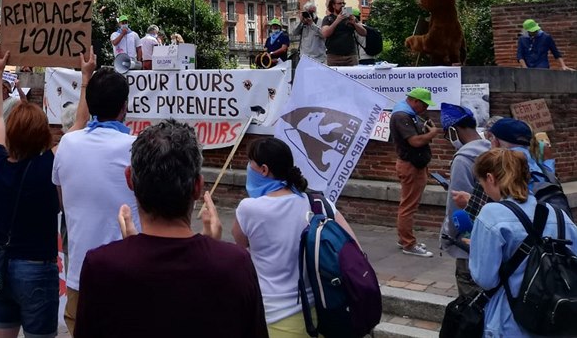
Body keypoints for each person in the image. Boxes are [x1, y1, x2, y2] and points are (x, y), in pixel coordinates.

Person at [75, 121, 269, 338]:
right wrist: (214, 252)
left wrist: (130, 251)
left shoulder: (101, 266)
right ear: (198, 187)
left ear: (130, 179)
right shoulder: (235, 264)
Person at [232, 137, 359, 336]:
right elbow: (354, 250)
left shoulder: (249, 208)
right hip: (325, 314)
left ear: (264, 170)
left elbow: (241, 248)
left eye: (250, 162)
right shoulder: (318, 203)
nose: (248, 167)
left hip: (274, 319)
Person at [52, 53, 139, 334]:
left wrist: (85, 76)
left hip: (81, 276)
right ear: (124, 107)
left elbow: (64, 203)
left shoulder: (67, 145)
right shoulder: (137, 148)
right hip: (126, 278)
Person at [0, 49, 61, 338]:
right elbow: (77, 128)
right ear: (43, 136)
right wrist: (87, 78)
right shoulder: (49, 166)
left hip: (1, 264)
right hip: (37, 269)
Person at [468, 148, 577, 337]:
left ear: (490, 178)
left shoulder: (491, 214)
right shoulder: (557, 214)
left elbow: (485, 279)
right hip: (557, 316)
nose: (483, 189)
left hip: (511, 319)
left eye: (482, 183)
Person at [438, 103, 492, 299]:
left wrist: (450, 237)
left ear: (454, 129)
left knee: (470, 301)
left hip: (468, 242)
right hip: (490, 234)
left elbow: (456, 209)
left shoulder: (463, 158)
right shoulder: (490, 149)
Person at [389, 87, 439, 257]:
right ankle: (409, 244)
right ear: (415, 101)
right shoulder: (402, 115)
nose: (425, 109)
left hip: (413, 164)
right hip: (411, 165)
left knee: (408, 204)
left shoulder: (407, 114)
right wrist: (432, 133)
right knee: (408, 206)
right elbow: (415, 141)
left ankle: (404, 238)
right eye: (424, 105)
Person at [320, 0, 367, 66]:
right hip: (333, 56)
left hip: (351, 56)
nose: (342, 5)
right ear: (333, 5)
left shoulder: (351, 17)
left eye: (343, 3)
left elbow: (364, 33)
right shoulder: (328, 18)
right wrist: (337, 20)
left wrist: (354, 23)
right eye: (339, 3)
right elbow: (325, 33)